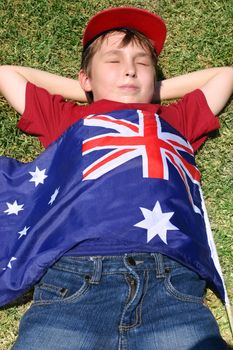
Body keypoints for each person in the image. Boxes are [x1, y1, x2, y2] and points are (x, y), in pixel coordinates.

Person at [0, 7, 232, 350]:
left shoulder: (174, 120)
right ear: (85, 78)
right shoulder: (69, 119)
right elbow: (7, 74)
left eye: (142, 63)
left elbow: (227, 75)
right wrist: (89, 92)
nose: (129, 69)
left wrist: (150, 90)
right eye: (114, 61)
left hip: (171, 282)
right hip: (75, 279)